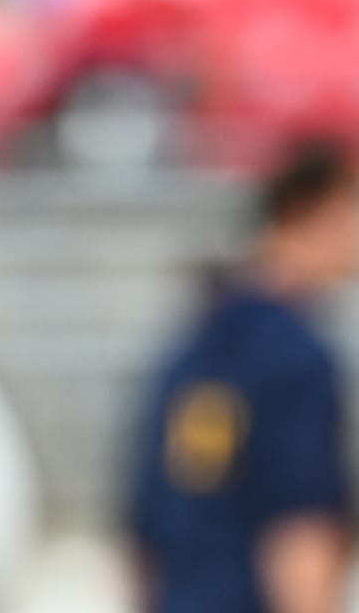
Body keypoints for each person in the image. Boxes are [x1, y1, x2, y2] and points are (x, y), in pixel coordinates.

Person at [127, 138, 359, 613]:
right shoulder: (298, 358)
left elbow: (144, 537)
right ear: (313, 212)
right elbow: (299, 533)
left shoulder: (192, 342)